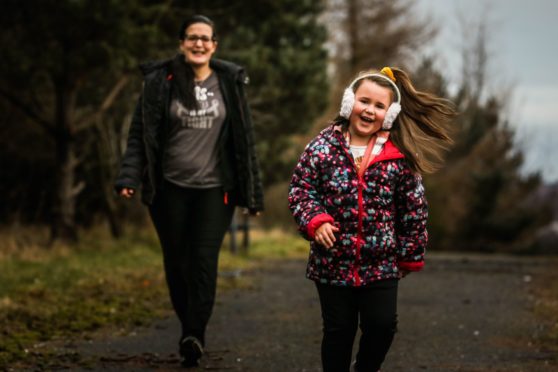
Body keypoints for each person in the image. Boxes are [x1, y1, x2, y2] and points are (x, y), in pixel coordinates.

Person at [114, 15, 264, 368]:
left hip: (215, 189)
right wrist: (129, 178)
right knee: (176, 261)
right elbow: (141, 134)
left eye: (205, 38)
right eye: (192, 38)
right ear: (182, 43)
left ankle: (194, 333)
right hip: (169, 189)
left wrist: (252, 193)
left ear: (215, 45)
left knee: (203, 260)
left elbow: (245, 140)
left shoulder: (229, 81)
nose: (199, 44)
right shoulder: (159, 82)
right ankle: (188, 326)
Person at [288, 67, 455, 372]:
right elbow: (301, 190)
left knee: (382, 327)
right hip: (332, 262)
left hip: (381, 263)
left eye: (379, 106)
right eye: (364, 101)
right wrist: (317, 220)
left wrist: (409, 255)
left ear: (390, 114)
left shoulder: (398, 157)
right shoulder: (321, 148)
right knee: (338, 331)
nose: (370, 110)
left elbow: (414, 209)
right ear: (349, 102)